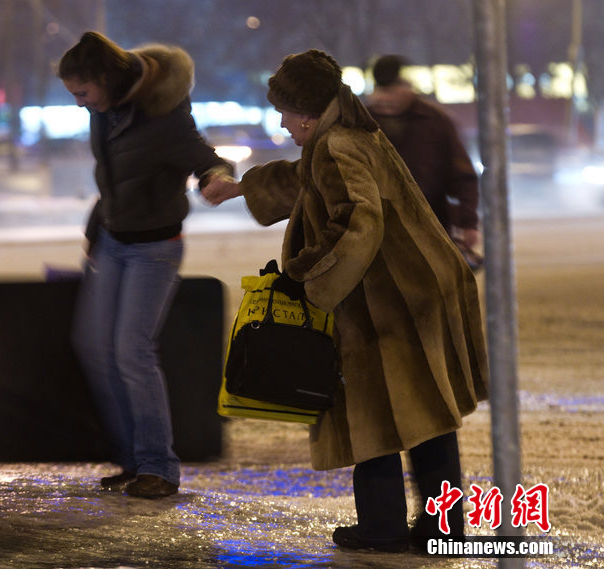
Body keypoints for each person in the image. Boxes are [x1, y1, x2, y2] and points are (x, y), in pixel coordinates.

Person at [203, 50, 489, 552]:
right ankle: (442, 528)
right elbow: (305, 178)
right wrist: (242, 188)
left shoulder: (336, 144)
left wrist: (304, 276)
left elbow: (357, 219)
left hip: (388, 300)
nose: (281, 122)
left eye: (284, 111)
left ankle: (382, 528)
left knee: (369, 412)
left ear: (306, 113)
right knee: (426, 416)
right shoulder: (347, 134)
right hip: (412, 290)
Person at [57, 32, 234, 499]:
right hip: (112, 240)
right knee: (94, 346)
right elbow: (113, 179)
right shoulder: (105, 109)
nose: (79, 103)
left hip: (155, 247)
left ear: (104, 78)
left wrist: (216, 179)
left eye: (82, 92)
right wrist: (95, 232)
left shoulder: (163, 112)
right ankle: (133, 460)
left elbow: (207, 159)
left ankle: (159, 466)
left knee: (131, 352)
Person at [366, 54, 483, 270]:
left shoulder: (436, 121)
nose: (387, 98)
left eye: (393, 89)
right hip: (377, 232)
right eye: (383, 90)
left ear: (407, 86)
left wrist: (468, 222)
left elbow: (462, 176)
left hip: (430, 226)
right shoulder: (362, 122)